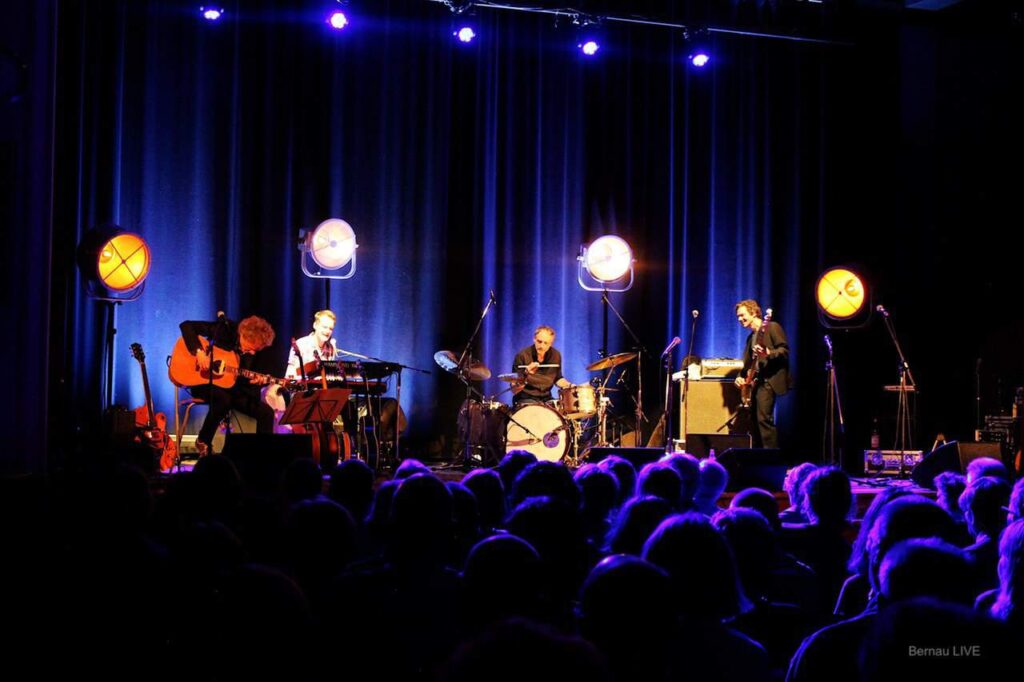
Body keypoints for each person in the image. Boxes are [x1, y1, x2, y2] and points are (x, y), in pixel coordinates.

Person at [180, 314, 277, 456]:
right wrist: (199, 352)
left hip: (232, 389)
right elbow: (186, 326)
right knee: (223, 399)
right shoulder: (225, 330)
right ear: (244, 335)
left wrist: (257, 382)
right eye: (251, 348)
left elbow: (245, 379)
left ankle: (261, 456)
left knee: (266, 413)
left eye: (255, 350)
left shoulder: (252, 352)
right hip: (203, 382)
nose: (252, 352)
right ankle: (203, 440)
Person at [734, 300, 790, 449]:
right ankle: (759, 458)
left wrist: (768, 353)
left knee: (764, 420)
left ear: (753, 313)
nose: (739, 319)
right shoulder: (750, 338)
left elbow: (784, 351)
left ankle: (771, 461)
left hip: (768, 380)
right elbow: (747, 365)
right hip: (756, 383)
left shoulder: (771, 327)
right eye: (738, 316)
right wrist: (740, 376)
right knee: (754, 421)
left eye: (742, 315)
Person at [512, 325, 572, 405]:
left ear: (551, 343)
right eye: (539, 341)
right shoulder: (522, 356)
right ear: (534, 339)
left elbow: (557, 378)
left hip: (546, 398)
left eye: (546, 343)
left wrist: (569, 385)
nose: (542, 346)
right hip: (526, 398)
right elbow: (514, 389)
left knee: (561, 411)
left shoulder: (556, 355)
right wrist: (526, 373)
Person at [285, 309, 338, 379]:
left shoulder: (330, 348)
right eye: (324, 327)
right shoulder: (301, 344)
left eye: (330, 329)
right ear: (315, 325)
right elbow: (290, 375)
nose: (327, 331)